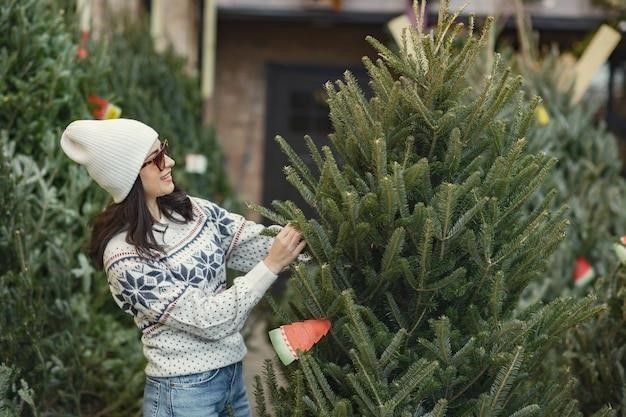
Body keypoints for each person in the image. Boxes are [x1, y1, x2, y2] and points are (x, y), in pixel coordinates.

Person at [60, 118, 306, 417]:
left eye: (164, 149)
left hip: (231, 379)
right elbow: (208, 320)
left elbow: (257, 243)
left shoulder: (193, 211)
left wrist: (323, 242)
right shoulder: (123, 257)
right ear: (129, 175)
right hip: (184, 394)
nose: (170, 161)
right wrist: (271, 267)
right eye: (156, 158)